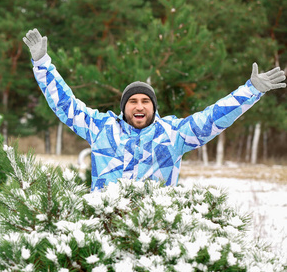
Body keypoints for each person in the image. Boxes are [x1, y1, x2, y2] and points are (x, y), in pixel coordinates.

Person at [23, 28, 286, 191]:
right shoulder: (102, 129)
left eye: (145, 101)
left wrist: (252, 90)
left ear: (153, 107)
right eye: (133, 101)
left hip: (156, 236)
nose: (139, 106)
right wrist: (41, 62)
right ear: (124, 107)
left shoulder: (175, 135)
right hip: (105, 231)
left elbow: (214, 117)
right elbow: (65, 105)